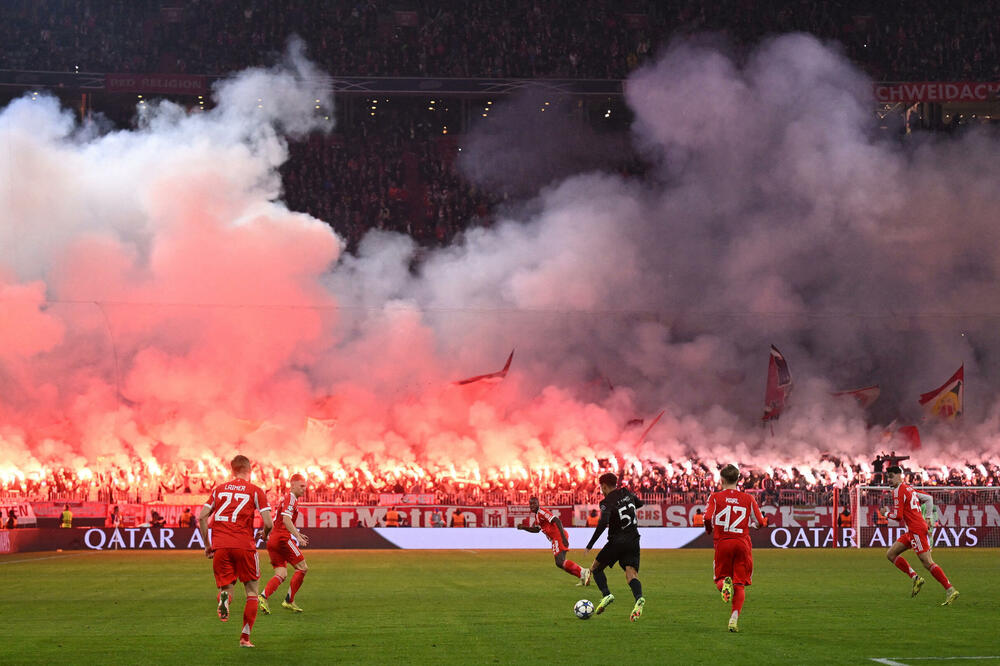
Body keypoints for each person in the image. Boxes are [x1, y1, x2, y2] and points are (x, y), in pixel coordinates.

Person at [198, 454, 273, 648]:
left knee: (226, 588)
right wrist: (265, 534)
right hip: (244, 546)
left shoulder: (219, 490)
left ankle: (225, 599)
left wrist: (207, 544)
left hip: (221, 547)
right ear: (250, 469)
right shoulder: (255, 491)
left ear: (232, 470)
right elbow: (268, 522)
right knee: (252, 593)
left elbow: (202, 517)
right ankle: (245, 638)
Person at [704, 464, 767, 633]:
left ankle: (724, 584)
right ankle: (734, 618)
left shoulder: (715, 497)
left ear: (722, 480)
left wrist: (709, 529)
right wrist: (753, 525)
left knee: (720, 578)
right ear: (738, 480)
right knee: (740, 583)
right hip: (742, 543)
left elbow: (708, 517)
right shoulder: (748, 499)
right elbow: (761, 522)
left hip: (723, 543)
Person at [883, 465, 959, 605]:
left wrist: (885, 514)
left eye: (891, 476)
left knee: (927, 562)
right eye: (888, 477)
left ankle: (950, 589)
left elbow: (898, 516)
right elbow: (929, 499)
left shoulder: (898, 491)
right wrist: (929, 517)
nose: (889, 480)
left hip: (916, 530)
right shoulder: (909, 488)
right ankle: (915, 578)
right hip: (913, 530)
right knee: (891, 554)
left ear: (900, 475)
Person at [585, 472, 646, 622]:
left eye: (601, 487)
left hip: (617, 541)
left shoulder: (606, 502)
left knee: (596, 568)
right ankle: (639, 598)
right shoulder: (626, 492)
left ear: (604, 486)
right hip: (633, 539)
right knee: (630, 572)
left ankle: (606, 595)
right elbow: (639, 504)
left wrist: (590, 545)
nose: (601, 490)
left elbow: (602, 524)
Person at [260, 474, 309, 615]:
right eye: (301, 486)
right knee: (302, 567)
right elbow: (287, 520)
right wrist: (298, 536)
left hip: (273, 539)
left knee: (281, 573)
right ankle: (289, 600)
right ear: (292, 485)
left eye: (305, 486)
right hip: (282, 538)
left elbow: (280, 519)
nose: (304, 489)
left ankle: (263, 596)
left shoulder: (286, 499)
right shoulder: (291, 499)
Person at [517, 496, 589, 585]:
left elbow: (557, 520)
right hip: (555, 538)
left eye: (534, 503)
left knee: (560, 561)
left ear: (538, 503)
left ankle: (583, 572)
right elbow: (536, 530)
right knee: (559, 563)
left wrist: (563, 537)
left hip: (558, 536)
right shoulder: (537, 516)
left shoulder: (542, 511)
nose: (532, 505)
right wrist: (523, 527)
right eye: (530, 504)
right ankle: (582, 576)